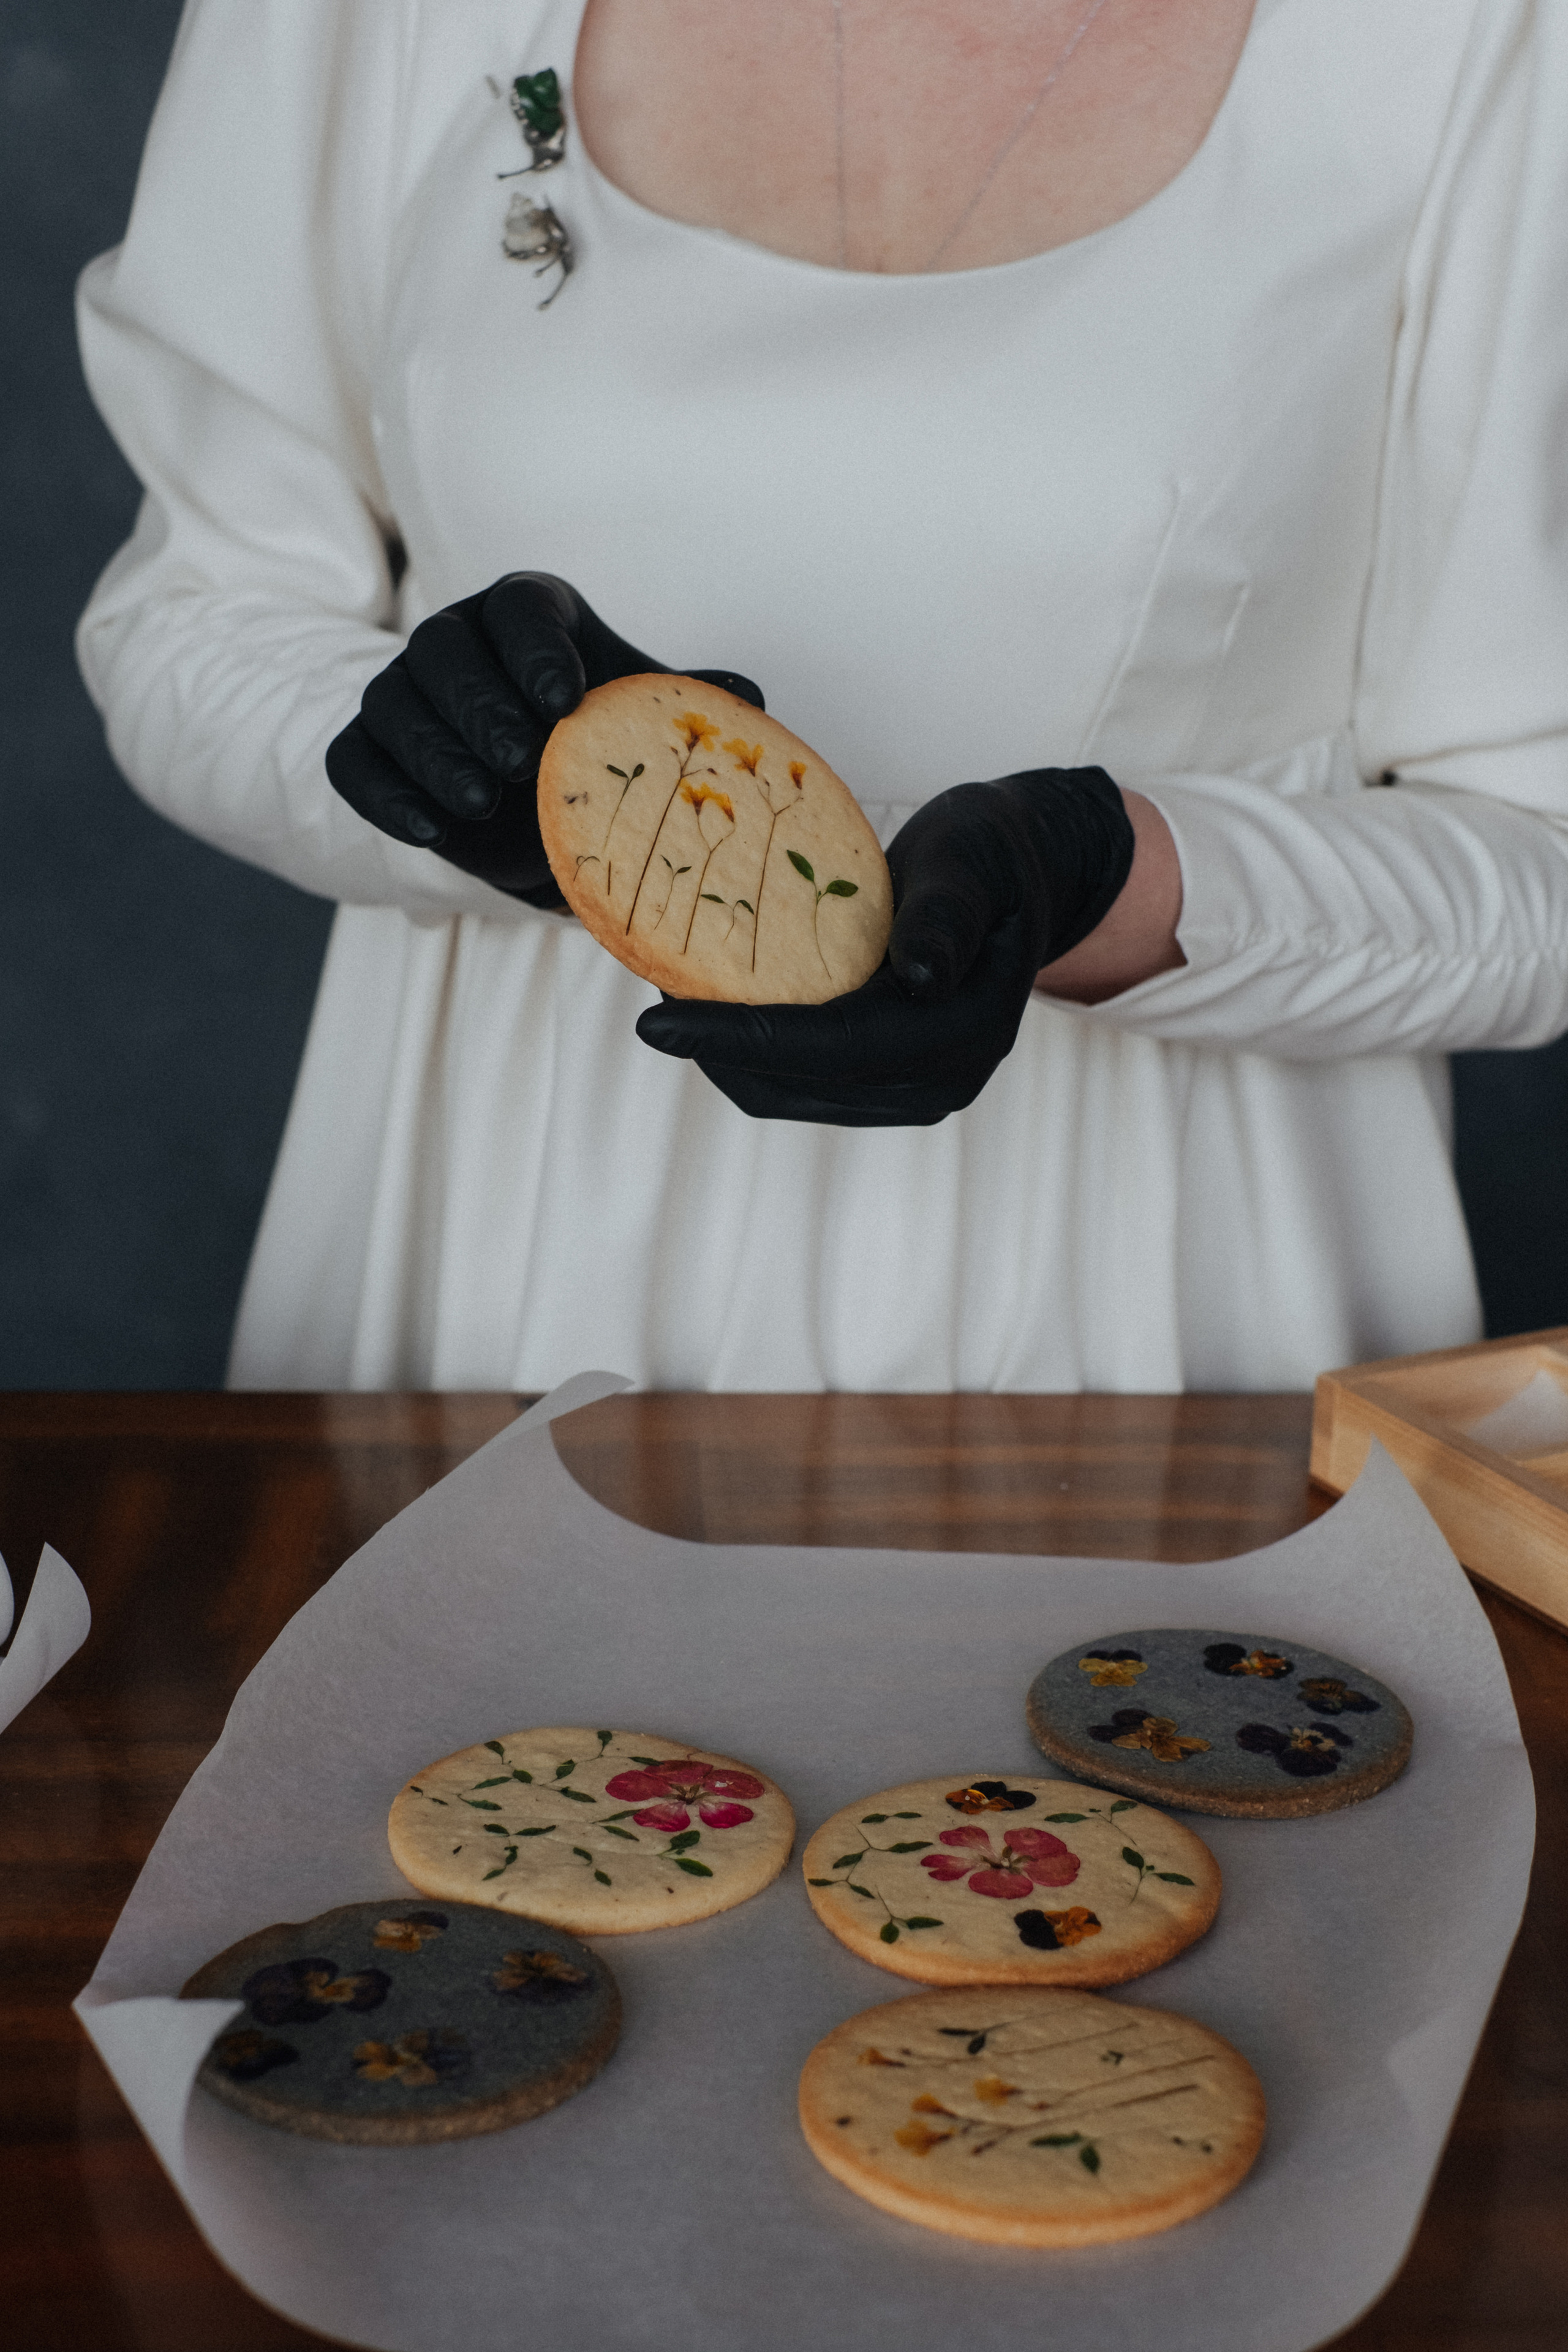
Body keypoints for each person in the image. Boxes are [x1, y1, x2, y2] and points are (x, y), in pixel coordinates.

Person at [77, 0, 1568, 1393]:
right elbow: (196, 616)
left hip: (1159, 1316)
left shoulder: (1473, 37)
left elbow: (1536, 859)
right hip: (499, 1259)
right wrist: (437, 765)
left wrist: (1104, 875)